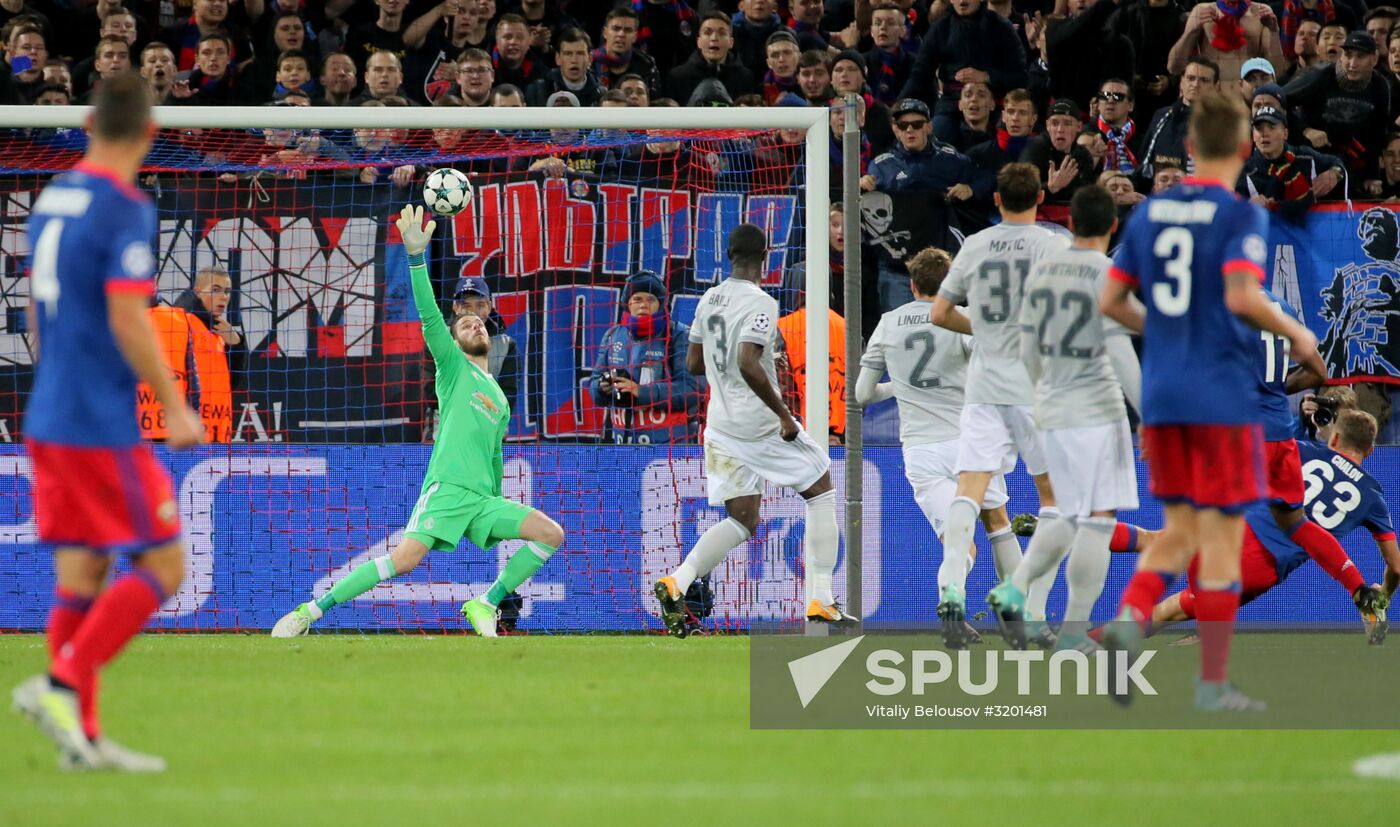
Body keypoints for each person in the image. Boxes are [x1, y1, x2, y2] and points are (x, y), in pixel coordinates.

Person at [1099, 88, 1326, 711]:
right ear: (1247, 148)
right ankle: (1213, 683)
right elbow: (1240, 296)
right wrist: (1297, 333)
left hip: (1165, 396)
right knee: (1221, 535)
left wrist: (1169, 328)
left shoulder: (1149, 216)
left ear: (1190, 148)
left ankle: (1128, 622)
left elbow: (1112, 305)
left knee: (1181, 530)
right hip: (1220, 395)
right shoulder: (1239, 216)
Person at [11, 71, 203, 772]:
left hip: (49, 410)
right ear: (149, 134)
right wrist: (175, 405)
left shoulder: (52, 197)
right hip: (95, 420)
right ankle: (62, 683)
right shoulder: (125, 206)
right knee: (165, 562)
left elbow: (34, 310)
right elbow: (128, 314)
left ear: (90, 126)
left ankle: (82, 738)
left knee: (83, 571)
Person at [273, 206, 565, 640]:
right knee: (403, 560)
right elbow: (429, 314)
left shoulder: (499, 396)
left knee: (550, 534)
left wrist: (497, 500)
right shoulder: (452, 367)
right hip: (447, 489)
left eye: (478, 320)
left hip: (483, 498)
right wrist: (415, 257)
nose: (473, 324)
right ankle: (311, 610)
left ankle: (484, 602)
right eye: (463, 321)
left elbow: (494, 453)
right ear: (454, 336)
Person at [652, 223, 852, 637]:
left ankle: (678, 581)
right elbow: (747, 361)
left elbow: (692, 364)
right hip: (758, 424)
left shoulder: (709, 298)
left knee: (743, 519)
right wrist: (784, 415)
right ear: (767, 255)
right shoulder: (761, 302)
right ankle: (821, 598)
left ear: (728, 255)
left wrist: (729, 365)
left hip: (720, 426)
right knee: (822, 490)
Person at [988, 185, 1138, 649]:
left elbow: (1026, 346)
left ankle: (1015, 586)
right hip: (1096, 405)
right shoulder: (1107, 272)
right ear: (1113, 225)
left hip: (1050, 405)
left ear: (1069, 224)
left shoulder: (1043, 274)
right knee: (1097, 519)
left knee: (1066, 512)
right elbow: (1118, 346)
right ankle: (1074, 630)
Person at [855, 246, 1024, 648]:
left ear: (911, 285)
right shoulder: (960, 319)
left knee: (958, 541)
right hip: (970, 444)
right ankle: (1016, 616)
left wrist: (902, 385)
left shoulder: (888, 323)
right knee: (997, 521)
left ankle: (953, 605)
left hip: (922, 449)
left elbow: (861, 394)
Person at [930, 162, 1066, 647]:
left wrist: (986, 332)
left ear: (996, 200)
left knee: (969, 492)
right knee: (1054, 500)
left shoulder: (974, 245)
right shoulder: (1055, 246)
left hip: (985, 386)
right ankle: (1026, 605)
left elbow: (940, 313)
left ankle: (952, 587)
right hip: (1036, 385)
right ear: (1041, 195)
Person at [1113, 410, 1394, 643]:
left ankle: (1086, 535)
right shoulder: (1373, 496)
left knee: (1153, 541)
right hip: (1264, 568)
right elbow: (1396, 566)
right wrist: (1383, 596)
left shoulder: (1302, 449)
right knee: (1177, 614)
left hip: (1237, 529)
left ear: (1334, 437)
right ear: (1370, 450)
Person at [862, 98, 994, 312]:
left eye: (917, 124)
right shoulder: (881, 166)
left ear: (929, 126)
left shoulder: (951, 160)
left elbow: (988, 179)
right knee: (899, 330)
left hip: (942, 265)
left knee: (948, 331)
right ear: (895, 129)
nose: (910, 130)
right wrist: (862, 187)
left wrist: (971, 189)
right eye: (903, 126)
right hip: (898, 268)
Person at [587, 271, 704, 444]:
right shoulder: (612, 336)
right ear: (628, 303)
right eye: (637, 299)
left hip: (671, 452)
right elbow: (594, 385)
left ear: (661, 304)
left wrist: (640, 392)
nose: (643, 306)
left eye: (650, 300)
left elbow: (692, 390)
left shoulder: (679, 336)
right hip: (623, 447)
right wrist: (602, 388)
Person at [898, 0, 1029, 144]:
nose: (962, 1)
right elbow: (919, 76)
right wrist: (897, 108)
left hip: (994, 107)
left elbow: (1020, 77)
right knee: (931, 142)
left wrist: (987, 77)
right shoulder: (940, 29)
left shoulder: (1001, 27)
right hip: (951, 105)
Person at [1282, 31, 1392, 176]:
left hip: (1350, 158)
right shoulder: (1320, 75)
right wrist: (1306, 130)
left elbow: (1376, 135)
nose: (1353, 63)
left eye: (1361, 56)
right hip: (1309, 154)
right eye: (1348, 55)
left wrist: (1372, 175)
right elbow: (1276, 99)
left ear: (1374, 59)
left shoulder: (1380, 86)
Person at [1238, 104, 1345, 220]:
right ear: (1253, 136)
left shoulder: (1305, 157)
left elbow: (1336, 162)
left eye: (1271, 127)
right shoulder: (1244, 172)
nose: (1264, 134)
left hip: (1310, 230)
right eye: (1259, 129)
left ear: (1285, 134)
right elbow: (1228, 214)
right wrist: (1246, 208)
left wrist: (1336, 173)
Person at [1138, 56, 1219, 188]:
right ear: (1182, 82)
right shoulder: (1161, 116)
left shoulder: (1222, 124)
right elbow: (1144, 162)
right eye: (1190, 78)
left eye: (1203, 80)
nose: (1195, 84)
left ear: (1215, 87)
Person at [1167, 0, 1284, 86]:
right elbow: (1174, 68)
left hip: (1246, 103)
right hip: (1210, 101)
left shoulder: (1261, 13)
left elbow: (1277, 72)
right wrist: (1192, 31)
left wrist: (1274, 31)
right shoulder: (1201, 11)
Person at [665, 11, 758, 104]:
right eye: (707, 32)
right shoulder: (678, 77)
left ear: (731, 42)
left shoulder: (745, 78)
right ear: (699, 42)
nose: (714, 38)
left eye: (722, 33)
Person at [452, 276, 519, 402]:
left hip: (490, 417)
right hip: (449, 417)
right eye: (466, 305)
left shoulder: (507, 345)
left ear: (489, 307)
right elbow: (431, 390)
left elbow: (508, 395)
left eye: (480, 305)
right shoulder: (441, 339)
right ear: (455, 307)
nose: (473, 313)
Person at [1021, 98, 1097, 204]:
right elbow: (1018, 196)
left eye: (1067, 123)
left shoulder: (1083, 155)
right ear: (1047, 126)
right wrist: (1050, 187)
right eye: (1055, 123)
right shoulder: (1034, 150)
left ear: (1079, 126)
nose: (1060, 129)